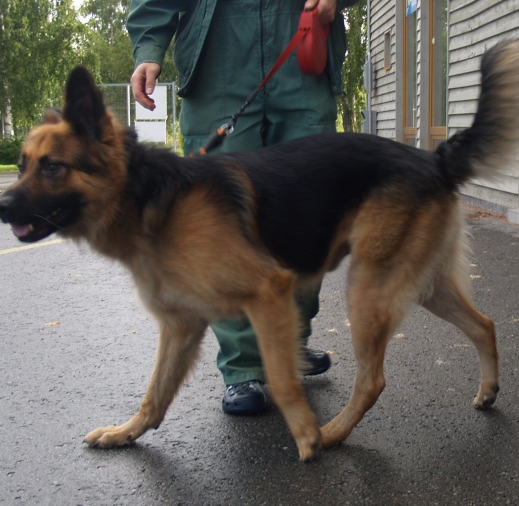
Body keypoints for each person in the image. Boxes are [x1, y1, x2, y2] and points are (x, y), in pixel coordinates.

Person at [127, 0, 358, 415]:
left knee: (307, 216)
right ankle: (243, 367)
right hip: (218, 57)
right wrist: (148, 49)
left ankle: (289, 344)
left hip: (301, 47)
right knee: (219, 228)